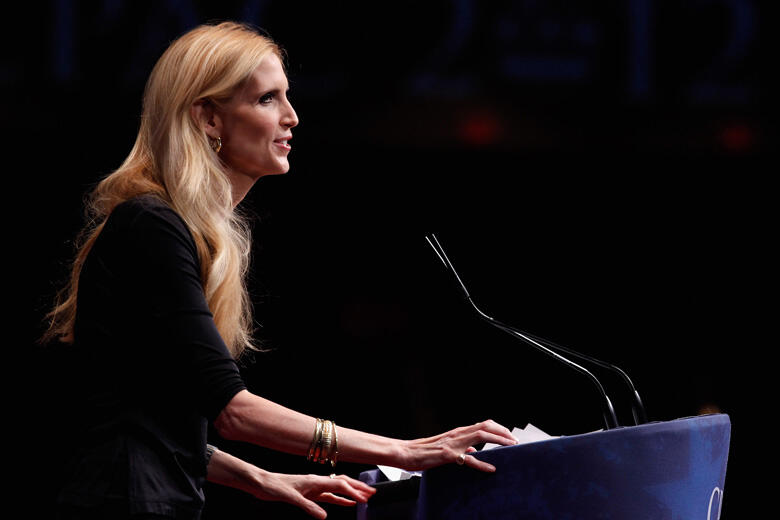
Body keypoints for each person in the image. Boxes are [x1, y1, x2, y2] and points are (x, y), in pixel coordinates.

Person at [41, 21, 518, 520]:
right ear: (208, 118)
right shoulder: (152, 225)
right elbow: (232, 411)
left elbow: (155, 418)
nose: (292, 116)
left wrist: (260, 478)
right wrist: (403, 451)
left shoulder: (175, 228)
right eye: (267, 99)